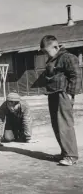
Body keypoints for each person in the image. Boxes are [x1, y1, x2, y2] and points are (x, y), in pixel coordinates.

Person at [40, 35, 81, 166]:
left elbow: (76, 75)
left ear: (56, 47)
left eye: (47, 51)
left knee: (64, 125)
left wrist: (70, 94)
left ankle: (71, 156)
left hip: (63, 94)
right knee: (56, 125)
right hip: (53, 93)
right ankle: (65, 152)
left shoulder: (68, 57)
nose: (46, 55)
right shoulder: (53, 60)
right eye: (44, 53)